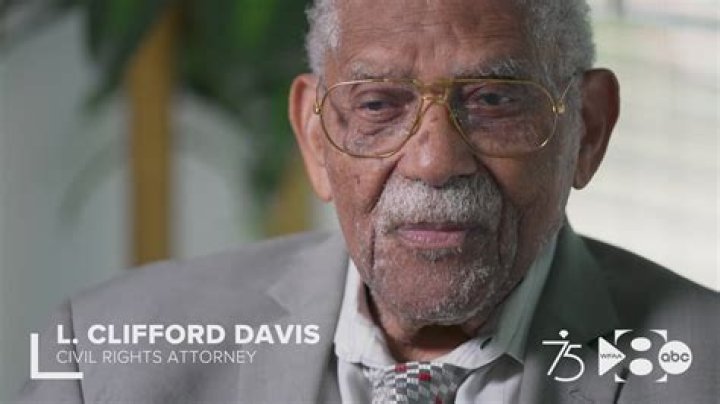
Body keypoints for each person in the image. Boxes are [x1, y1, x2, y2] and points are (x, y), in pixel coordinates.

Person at [17, 0, 718, 403]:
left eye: (495, 101)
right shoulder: (99, 358)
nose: (434, 161)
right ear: (313, 137)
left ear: (588, 129)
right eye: (379, 104)